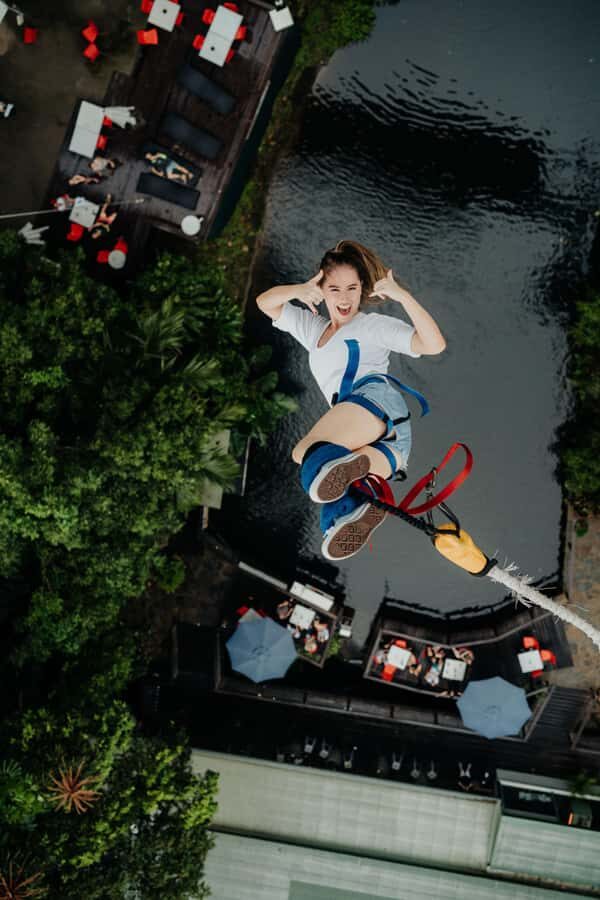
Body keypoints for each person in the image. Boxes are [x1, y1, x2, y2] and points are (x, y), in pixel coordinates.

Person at [256, 240, 445, 561]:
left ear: (362, 290)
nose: (344, 298)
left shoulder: (371, 326)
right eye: (334, 289)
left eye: (352, 289)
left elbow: (434, 345)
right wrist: (300, 290)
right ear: (321, 289)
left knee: (305, 456)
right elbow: (264, 302)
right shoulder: (312, 329)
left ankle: (349, 478)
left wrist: (403, 296)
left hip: (376, 405)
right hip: (396, 445)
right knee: (338, 498)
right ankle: (352, 511)